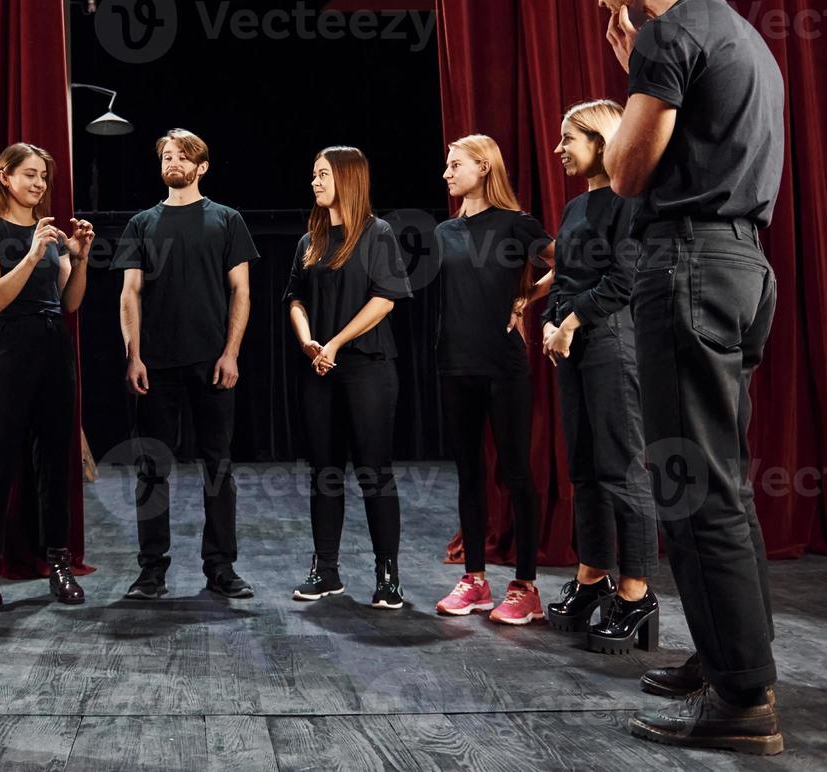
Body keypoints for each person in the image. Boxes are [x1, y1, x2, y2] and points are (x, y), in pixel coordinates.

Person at [581, 0, 786, 755]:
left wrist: (634, 73)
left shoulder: (666, 34)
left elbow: (625, 174)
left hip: (691, 269)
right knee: (720, 481)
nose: (598, 1)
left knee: (690, 488)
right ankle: (729, 656)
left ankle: (743, 701)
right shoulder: (743, 34)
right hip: (744, 270)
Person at [112, 129, 259, 600]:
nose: (173, 161)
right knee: (152, 469)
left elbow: (242, 291)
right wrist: (133, 355)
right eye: (167, 156)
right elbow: (129, 292)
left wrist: (231, 352)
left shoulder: (227, 220)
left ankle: (220, 568)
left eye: (183, 156)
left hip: (212, 362)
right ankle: (151, 570)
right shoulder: (142, 223)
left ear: (202, 166)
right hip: (155, 365)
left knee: (217, 466)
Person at [541, 101, 659, 653]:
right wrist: (549, 323)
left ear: (602, 140)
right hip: (572, 343)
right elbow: (564, 276)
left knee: (620, 468)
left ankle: (636, 593)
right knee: (585, 467)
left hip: (611, 341)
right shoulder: (573, 208)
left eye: (570, 139)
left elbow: (623, 279)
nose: (560, 148)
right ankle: (593, 577)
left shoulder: (629, 202)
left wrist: (569, 322)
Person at [0, 143, 93, 610]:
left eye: (44, 177)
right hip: (6, 348)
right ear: (5, 177)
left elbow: (70, 301)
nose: (39, 185)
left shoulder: (53, 236)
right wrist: (34, 249)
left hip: (52, 346)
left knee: (55, 462)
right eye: (31, 175)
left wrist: (78, 258)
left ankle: (58, 564)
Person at [431, 134, 553, 626]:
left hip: (503, 365)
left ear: (483, 167)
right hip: (455, 364)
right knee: (468, 474)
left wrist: (527, 299)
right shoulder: (443, 232)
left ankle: (525, 585)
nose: (446, 173)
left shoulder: (517, 225)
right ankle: (476, 579)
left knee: (516, 473)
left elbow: (562, 262)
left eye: (455, 164)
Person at [285, 146, 411, 609]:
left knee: (375, 473)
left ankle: (388, 575)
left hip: (367, 367)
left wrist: (335, 342)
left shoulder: (377, 234)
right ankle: (326, 570)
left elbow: (385, 299)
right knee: (324, 473)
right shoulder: (309, 241)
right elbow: (294, 298)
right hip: (319, 368)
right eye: (313, 174)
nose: (315, 182)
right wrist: (308, 342)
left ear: (347, 178)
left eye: (322, 175)